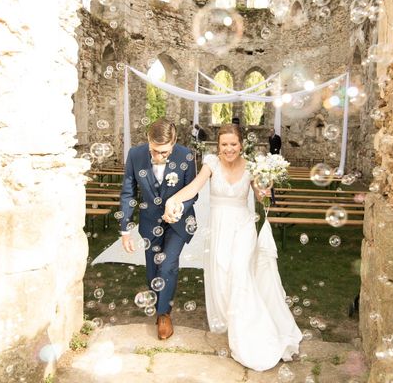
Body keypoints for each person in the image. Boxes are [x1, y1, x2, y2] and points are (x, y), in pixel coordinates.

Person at [162, 124, 302, 371]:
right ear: (218, 146)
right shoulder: (211, 164)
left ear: (241, 145)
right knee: (222, 275)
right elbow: (194, 187)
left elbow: (260, 197)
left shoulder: (251, 166)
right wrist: (174, 198)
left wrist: (265, 189)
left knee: (239, 273)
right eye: (224, 144)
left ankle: (247, 337)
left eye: (233, 144)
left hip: (243, 227)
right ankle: (237, 321)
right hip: (218, 229)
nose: (229, 149)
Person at [119, 118, 198, 340]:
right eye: (155, 150)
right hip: (149, 222)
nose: (159, 156)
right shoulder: (135, 155)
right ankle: (158, 301)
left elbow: (193, 191)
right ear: (148, 140)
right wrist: (125, 230)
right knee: (153, 268)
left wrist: (178, 208)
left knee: (168, 264)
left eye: (164, 152)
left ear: (173, 142)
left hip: (179, 222)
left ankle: (164, 314)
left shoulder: (186, 156)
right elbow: (128, 193)